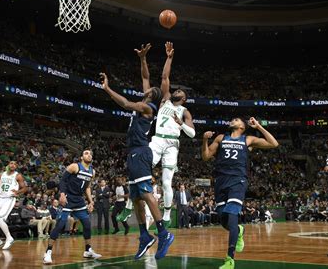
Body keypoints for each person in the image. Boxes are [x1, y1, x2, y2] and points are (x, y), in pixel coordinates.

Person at [100, 51, 174, 260]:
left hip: (141, 152)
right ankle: (144, 235)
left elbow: (125, 104)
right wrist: (142, 59)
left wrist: (107, 89)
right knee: (136, 198)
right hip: (133, 153)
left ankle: (163, 233)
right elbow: (145, 77)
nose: (146, 88)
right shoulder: (147, 98)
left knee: (146, 193)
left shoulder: (148, 107)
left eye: (149, 89)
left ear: (152, 95)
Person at [117, 42, 195, 227]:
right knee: (139, 168)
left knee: (167, 182)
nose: (175, 91)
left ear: (183, 98)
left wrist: (181, 124)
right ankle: (129, 205)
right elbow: (164, 76)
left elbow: (192, 134)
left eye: (179, 92)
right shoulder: (164, 102)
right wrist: (169, 58)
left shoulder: (185, 111)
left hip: (173, 144)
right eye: (175, 90)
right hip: (157, 140)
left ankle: (167, 215)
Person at [202, 117, 279, 269]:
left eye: (236, 120)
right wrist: (204, 140)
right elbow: (205, 157)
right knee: (224, 220)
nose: (232, 120)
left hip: (238, 181)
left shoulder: (247, 139)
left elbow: (273, 143)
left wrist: (258, 126)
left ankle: (230, 259)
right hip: (220, 181)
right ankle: (239, 230)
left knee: (231, 215)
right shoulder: (220, 138)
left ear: (242, 127)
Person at [43, 150, 101, 264]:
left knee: (87, 225)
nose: (89, 155)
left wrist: (91, 201)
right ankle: (47, 252)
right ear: (81, 157)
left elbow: (87, 187)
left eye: (90, 154)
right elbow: (63, 180)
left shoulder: (92, 171)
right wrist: (62, 195)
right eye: (86, 153)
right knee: (60, 225)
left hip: (79, 200)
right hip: (68, 198)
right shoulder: (74, 166)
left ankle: (87, 250)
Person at [0, 161, 27, 250]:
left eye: (15, 164)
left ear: (16, 167)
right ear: (8, 165)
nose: (12, 165)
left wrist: (18, 192)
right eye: (11, 163)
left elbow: (24, 188)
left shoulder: (17, 176)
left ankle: (9, 238)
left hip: (9, 199)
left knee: (0, 219)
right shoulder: (1, 174)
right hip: (0, 198)